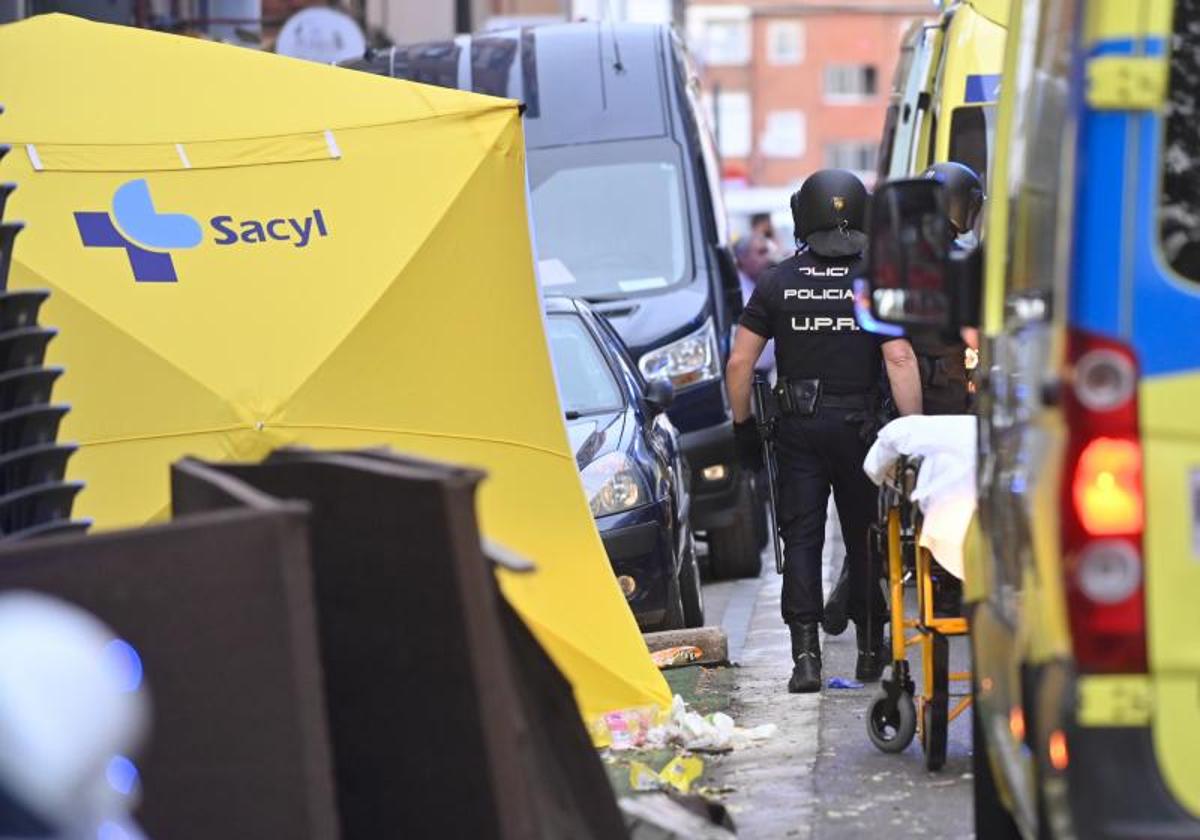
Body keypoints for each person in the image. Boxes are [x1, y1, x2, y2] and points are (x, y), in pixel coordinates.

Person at [726, 169, 923, 694]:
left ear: (802, 215)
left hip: (798, 430)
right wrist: (911, 433)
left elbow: (740, 365)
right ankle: (867, 650)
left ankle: (807, 659)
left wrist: (743, 428)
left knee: (803, 538)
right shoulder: (873, 283)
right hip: (861, 430)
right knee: (867, 538)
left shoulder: (776, 282)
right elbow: (899, 357)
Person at [733, 233, 777, 376]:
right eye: (761, 252)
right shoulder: (735, 292)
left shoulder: (764, 282)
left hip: (765, 372)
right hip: (745, 375)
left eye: (768, 251)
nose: (768, 258)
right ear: (742, 258)